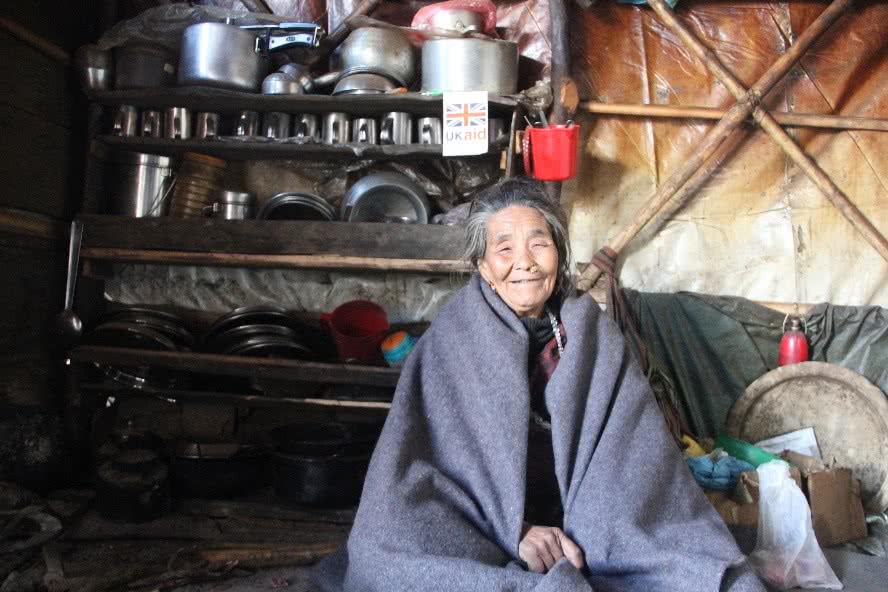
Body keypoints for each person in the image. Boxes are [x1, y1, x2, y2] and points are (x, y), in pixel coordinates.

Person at [313, 177, 764, 592]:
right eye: (504, 249)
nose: (524, 263)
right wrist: (515, 529)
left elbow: (631, 451)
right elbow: (424, 465)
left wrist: (587, 525)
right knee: (386, 553)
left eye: (538, 243)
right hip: (479, 521)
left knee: (702, 568)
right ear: (483, 267)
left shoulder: (591, 332)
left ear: (559, 256)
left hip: (584, 515)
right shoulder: (452, 336)